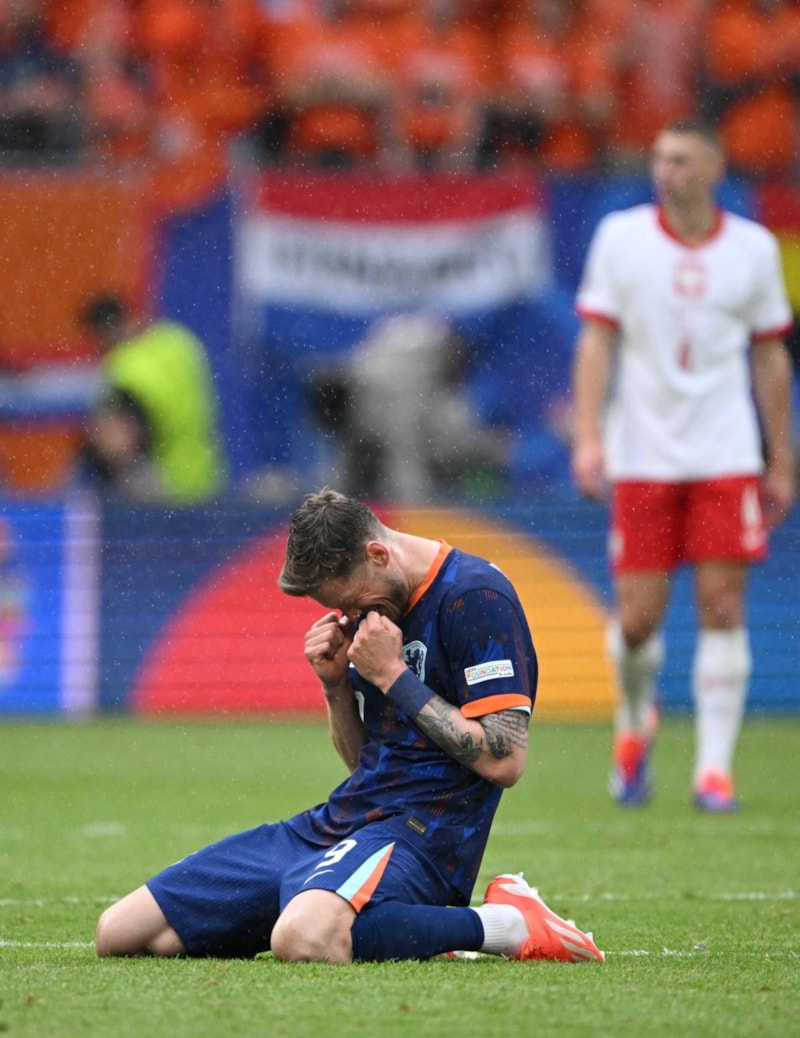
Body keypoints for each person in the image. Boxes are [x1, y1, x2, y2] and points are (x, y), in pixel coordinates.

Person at [95, 488, 604, 964]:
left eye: (353, 603)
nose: (350, 616)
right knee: (123, 934)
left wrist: (394, 676)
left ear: (377, 555)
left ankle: (508, 924)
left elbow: (504, 760)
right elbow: (363, 762)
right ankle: (398, 927)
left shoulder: (476, 598)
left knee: (303, 939)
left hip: (423, 835)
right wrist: (335, 686)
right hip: (341, 824)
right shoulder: (375, 605)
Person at [571, 120, 796, 812]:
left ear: (714, 168)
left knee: (722, 606)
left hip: (726, 450)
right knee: (638, 620)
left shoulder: (753, 249)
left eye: (680, 159)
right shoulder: (622, 238)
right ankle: (634, 720)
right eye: (659, 158)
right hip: (644, 452)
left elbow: (768, 356)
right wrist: (588, 437)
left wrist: (780, 457)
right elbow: (597, 343)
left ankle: (713, 771)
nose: (665, 171)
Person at [78, 293, 226, 504]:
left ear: (102, 333)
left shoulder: (123, 367)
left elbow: (119, 443)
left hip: (162, 490)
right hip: (206, 477)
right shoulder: (179, 341)